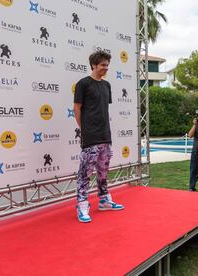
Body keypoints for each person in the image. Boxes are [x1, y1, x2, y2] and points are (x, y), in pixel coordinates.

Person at [73, 51, 124, 223]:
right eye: (103, 65)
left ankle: (103, 200)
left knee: (103, 171)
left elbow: (103, 109)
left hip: (105, 135)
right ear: (94, 65)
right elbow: (77, 108)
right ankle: (82, 204)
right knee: (85, 172)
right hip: (90, 136)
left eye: (107, 65)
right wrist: (84, 129)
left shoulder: (107, 85)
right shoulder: (83, 84)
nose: (106, 68)